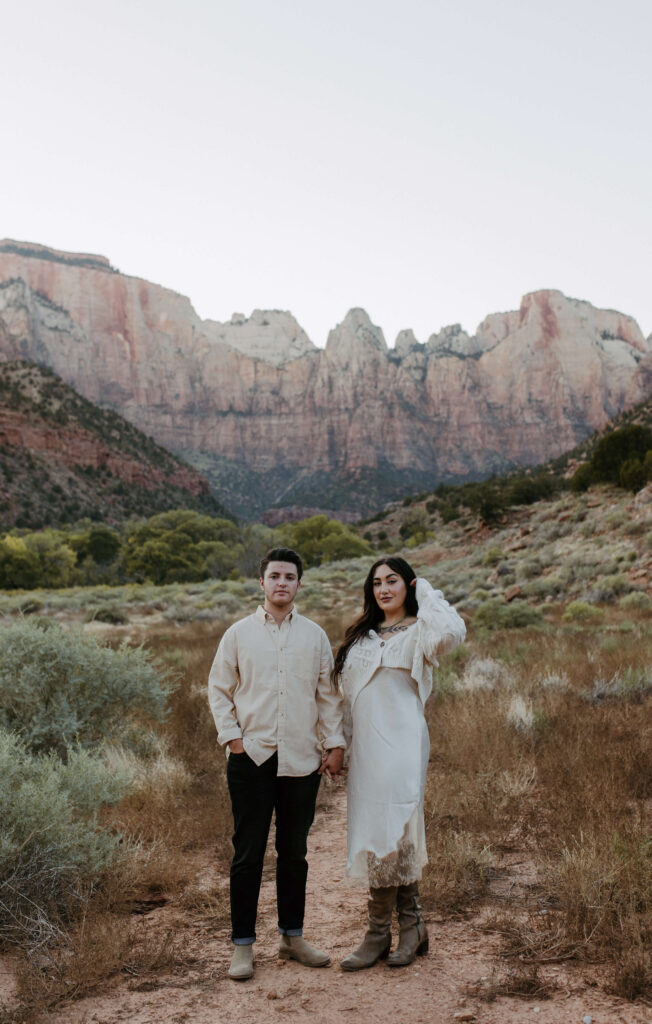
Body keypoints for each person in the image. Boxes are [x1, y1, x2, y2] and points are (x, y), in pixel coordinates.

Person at [208, 547, 345, 981]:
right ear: (261, 583)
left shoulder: (315, 636)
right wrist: (233, 741)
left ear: (299, 584)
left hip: (302, 760)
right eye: (274, 576)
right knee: (247, 854)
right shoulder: (237, 634)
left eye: (290, 576)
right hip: (252, 758)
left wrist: (334, 744)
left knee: (294, 853)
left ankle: (292, 937)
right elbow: (218, 690)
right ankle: (242, 947)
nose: (282, 582)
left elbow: (328, 696)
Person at [332, 556, 466, 971]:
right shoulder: (362, 637)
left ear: (407, 585)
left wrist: (424, 589)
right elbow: (345, 699)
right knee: (375, 827)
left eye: (393, 581)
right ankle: (393, 930)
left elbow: (451, 631)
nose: (384, 589)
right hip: (368, 747)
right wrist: (339, 745)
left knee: (400, 825)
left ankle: (403, 929)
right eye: (376, 583)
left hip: (404, 741)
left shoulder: (422, 630)